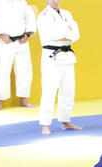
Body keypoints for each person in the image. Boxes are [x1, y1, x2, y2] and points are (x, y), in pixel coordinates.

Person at [37, 0, 82, 135]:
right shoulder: (43, 16)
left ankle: (65, 121)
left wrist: (65, 35)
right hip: (52, 57)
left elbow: (76, 34)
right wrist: (65, 33)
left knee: (68, 91)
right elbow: (50, 34)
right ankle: (45, 124)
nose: (56, 0)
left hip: (67, 56)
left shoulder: (66, 13)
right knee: (49, 91)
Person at [0, 0, 37, 110]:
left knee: (24, 71)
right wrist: (0, 35)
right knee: (2, 71)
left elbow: (30, 19)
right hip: (4, 42)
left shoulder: (22, 2)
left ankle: (23, 100)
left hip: (21, 41)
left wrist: (28, 34)